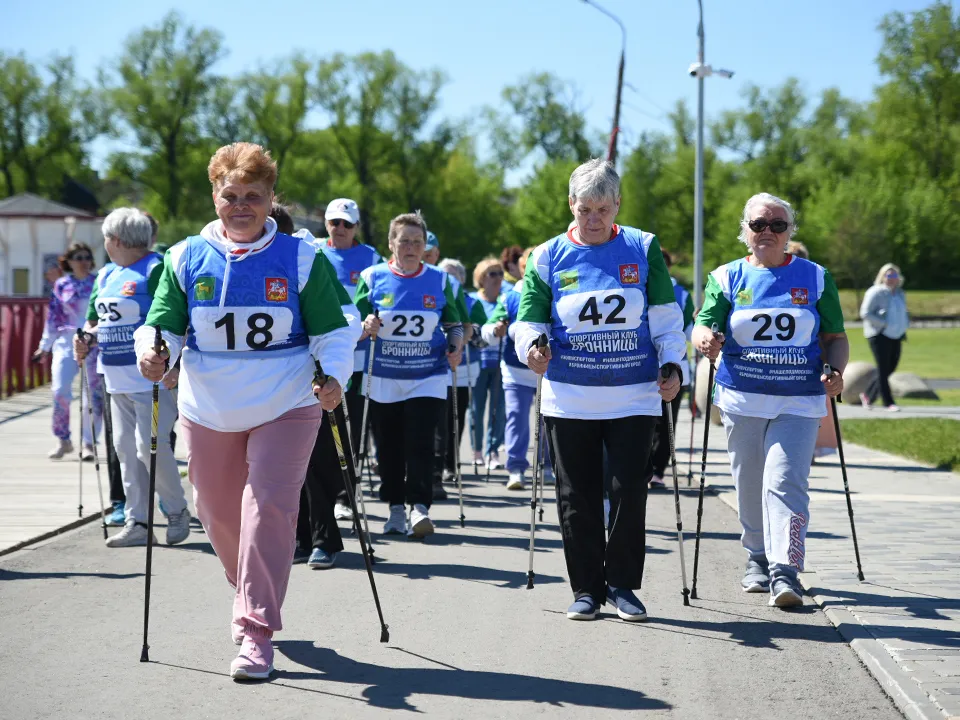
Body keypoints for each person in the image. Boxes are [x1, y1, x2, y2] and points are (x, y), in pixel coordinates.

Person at [135, 142, 356, 680]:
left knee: (269, 508)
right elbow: (162, 322)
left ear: (271, 198)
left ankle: (256, 631)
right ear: (215, 196)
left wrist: (334, 379)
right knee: (213, 508)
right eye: (229, 196)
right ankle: (249, 588)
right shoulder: (186, 256)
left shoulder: (303, 256)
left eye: (252, 197)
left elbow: (334, 331)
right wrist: (153, 348)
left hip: (288, 400)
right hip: (210, 405)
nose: (240, 207)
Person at [515, 159, 685, 622]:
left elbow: (666, 319)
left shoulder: (642, 247)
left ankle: (623, 585)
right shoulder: (548, 255)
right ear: (570, 205)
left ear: (617, 205)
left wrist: (673, 364)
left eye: (602, 209)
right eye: (583, 209)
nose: (592, 220)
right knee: (577, 496)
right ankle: (587, 588)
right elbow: (528, 320)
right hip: (570, 396)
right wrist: (531, 346)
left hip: (633, 393)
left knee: (629, 491)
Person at [692, 192, 848, 608]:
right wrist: (705, 338)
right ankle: (756, 556)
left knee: (786, 481)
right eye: (759, 224)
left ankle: (786, 570)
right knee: (748, 481)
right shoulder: (726, 277)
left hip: (799, 399)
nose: (767, 232)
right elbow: (703, 323)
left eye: (778, 225)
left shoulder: (815, 277)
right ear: (745, 231)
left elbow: (834, 337)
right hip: (742, 398)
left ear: (789, 232)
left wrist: (836, 372)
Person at [74, 208, 191, 547]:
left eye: (107, 238)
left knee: (150, 447)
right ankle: (137, 521)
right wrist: (85, 337)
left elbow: (175, 317)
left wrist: (176, 364)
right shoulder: (106, 274)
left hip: (150, 378)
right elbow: (96, 319)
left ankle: (176, 510)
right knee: (124, 448)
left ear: (118, 240)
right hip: (114, 375)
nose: (105, 244)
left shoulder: (155, 269)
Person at [353, 212, 465, 538]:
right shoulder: (372, 278)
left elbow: (454, 324)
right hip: (384, 378)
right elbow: (352, 326)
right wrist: (365, 327)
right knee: (388, 448)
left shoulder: (441, 280)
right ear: (391, 244)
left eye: (418, 242)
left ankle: (420, 507)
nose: (412, 248)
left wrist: (456, 345)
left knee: (420, 442)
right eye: (405, 241)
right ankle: (395, 509)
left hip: (427, 375)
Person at [483, 247, 553, 491]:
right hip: (515, 370)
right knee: (516, 418)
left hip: (547, 371)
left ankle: (546, 465)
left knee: (547, 420)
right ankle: (515, 468)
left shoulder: (554, 291)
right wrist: (495, 330)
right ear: (522, 269)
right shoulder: (510, 297)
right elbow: (489, 329)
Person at [33, 243, 102, 460]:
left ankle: (89, 442)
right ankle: (63, 439)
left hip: (95, 341)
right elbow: (53, 318)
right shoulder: (62, 285)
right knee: (60, 390)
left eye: (87, 257)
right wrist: (44, 346)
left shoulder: (100, 282)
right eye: (78, 257)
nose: (83, 261)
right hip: (66, 341)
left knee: (93, 395)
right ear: (69, 262)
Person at [434, 258, 486, 498]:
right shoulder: (436, 291)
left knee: (457, 418)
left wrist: (458, 340)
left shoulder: (471, 302)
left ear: (462, 280)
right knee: (440, 420)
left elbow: (474, 332)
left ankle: (451, 463)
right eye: (446, 274)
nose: (449, 278)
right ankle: (437, 463)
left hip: (463, 369)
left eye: (454, 275)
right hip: (437, 367)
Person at [646, 249, 695, 489]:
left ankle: (655, 471)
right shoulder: (681, 293)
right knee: (664, 424)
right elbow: (688, 330)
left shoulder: (680, 294)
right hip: (659, 368)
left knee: (661, 424)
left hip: (667, 367)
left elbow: (688, 330)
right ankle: (653, 471)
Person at [470, 257, 506, 469]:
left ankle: (492, 451)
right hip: (478, 363)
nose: (497, 279)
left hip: (500, 363)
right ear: (481, 278)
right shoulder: (474, 301)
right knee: (476, 409)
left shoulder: (505, 301)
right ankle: (476, 450)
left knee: (498, 410)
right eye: (492, 274)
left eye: (500, 274)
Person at [859, 263, 909, 412]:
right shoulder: (875, 292)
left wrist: (904, 325)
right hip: (879, 334)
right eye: (889, 275)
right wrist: (884, 324)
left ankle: (867, 395)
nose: (892, 278)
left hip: (896, 335)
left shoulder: (900, 293)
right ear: (882, 276)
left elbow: (902, 312)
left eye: (894, 275)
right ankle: (888, 402)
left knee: (890, 367)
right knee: (883, 367)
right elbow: (865, 313)